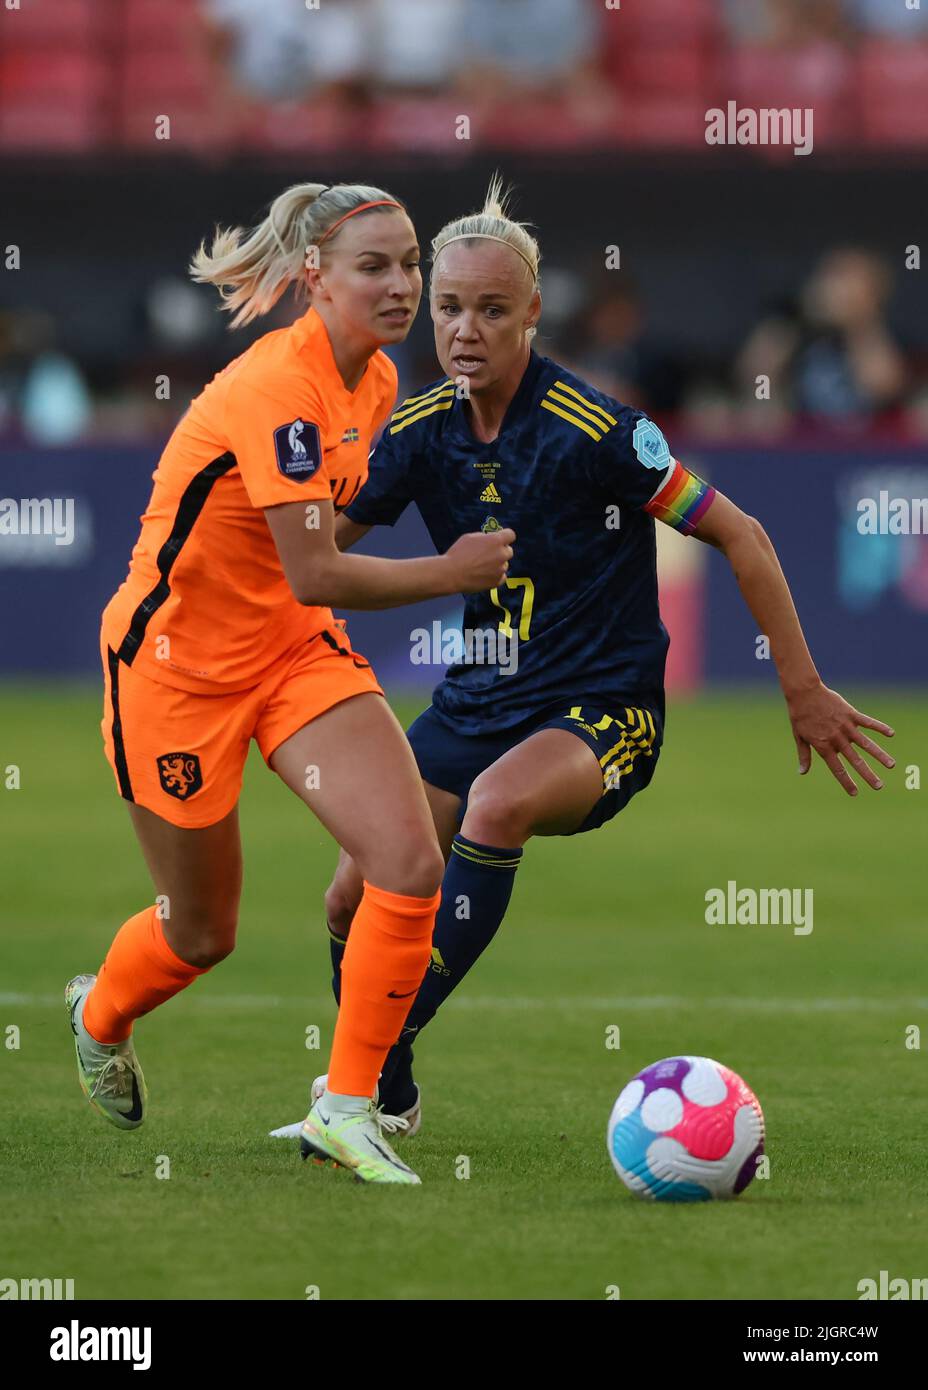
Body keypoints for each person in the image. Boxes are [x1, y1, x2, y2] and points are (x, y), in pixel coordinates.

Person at [309, 180, 896, 1136]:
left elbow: (743, 536)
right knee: (348, 894)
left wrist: (802, 687)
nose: (465, 329)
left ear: (532, 313)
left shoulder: (601, 434)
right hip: (474, 704)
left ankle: (352, 1077)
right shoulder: (418, 435)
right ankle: (387, 1089)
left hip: (601, 710)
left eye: (492, 310)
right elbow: (319, 556)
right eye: (449, 307)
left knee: (495, 806)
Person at [65, 180, 514, 1185]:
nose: (403, 286)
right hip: (175, 670)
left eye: (411, 265)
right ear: (315, 276)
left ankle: (347, 1109)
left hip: (291, 650)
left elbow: (314, 551)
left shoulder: (381, 381)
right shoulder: (277, 385)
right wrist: (451, 572)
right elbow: (317, 563)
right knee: (201, 932)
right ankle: (98, 1014)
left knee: (407, 859)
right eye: (376, 267)